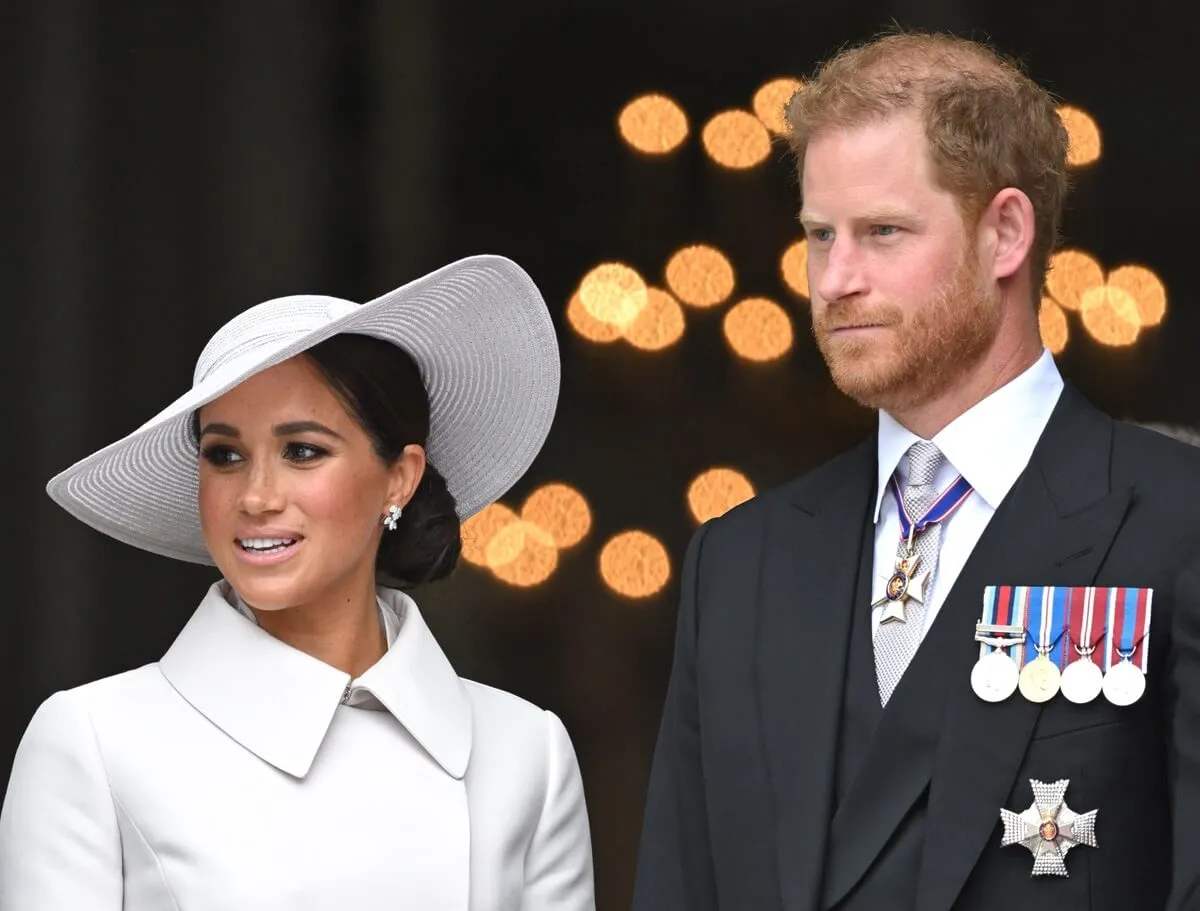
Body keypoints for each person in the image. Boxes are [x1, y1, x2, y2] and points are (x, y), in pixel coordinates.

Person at [632, 31, 1200, 911]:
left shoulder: (1176, 520)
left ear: (1005, 232)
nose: (834, 279)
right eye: (821, 235)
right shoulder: (738, 564)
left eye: (883, 232)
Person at [0, 255, 595, 910]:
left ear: (400, 476)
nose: (256, 496)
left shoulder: (525, 753)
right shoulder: (92, 742)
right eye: (224, 454)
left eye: (303, 450)